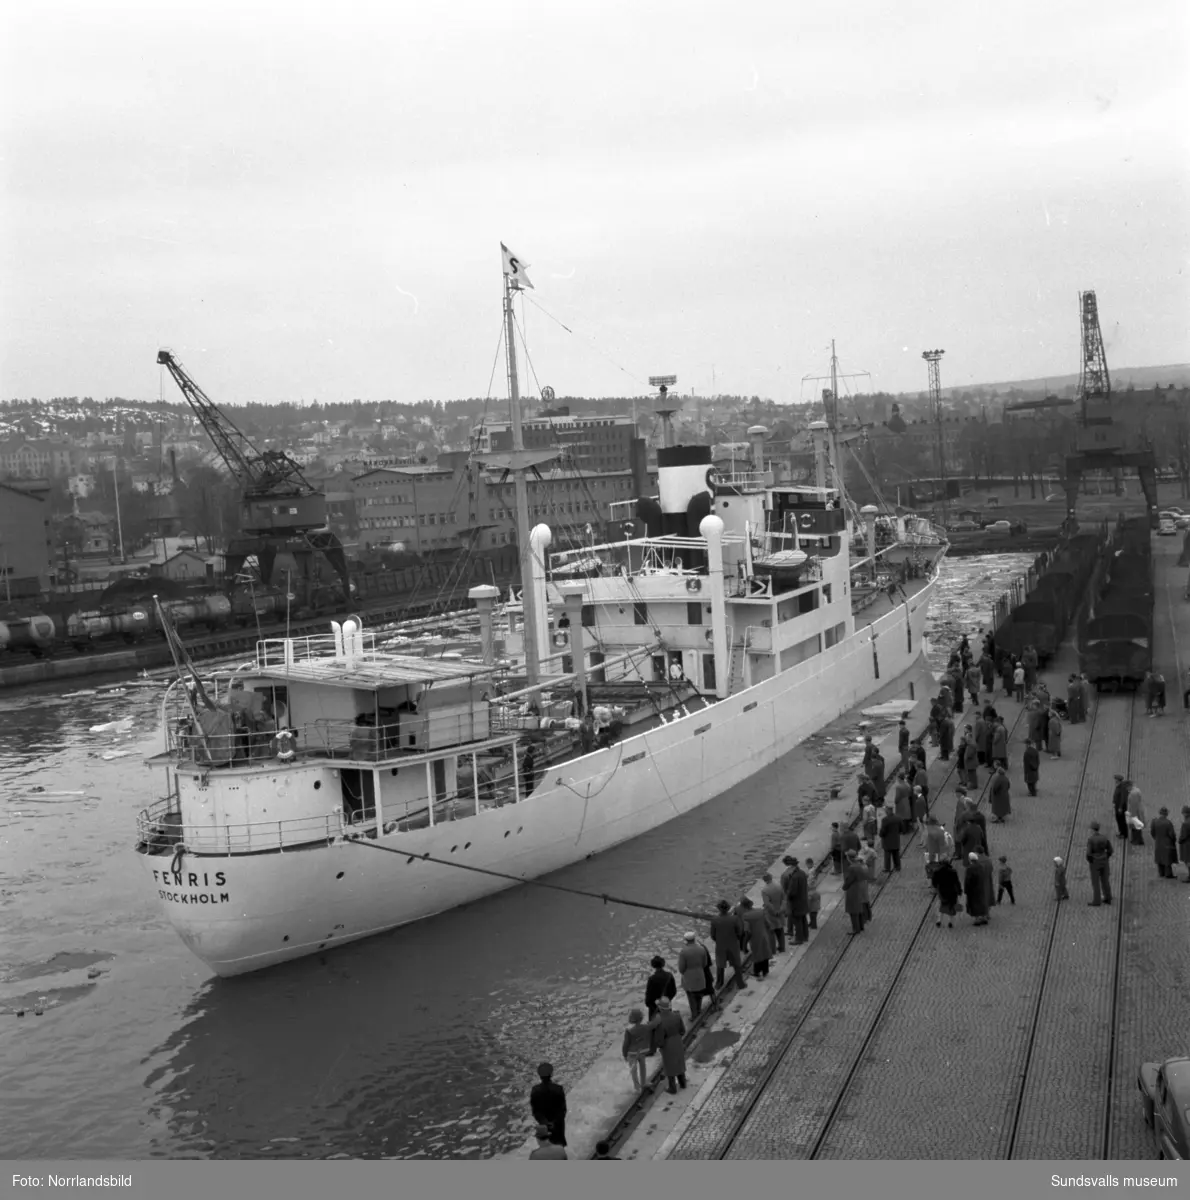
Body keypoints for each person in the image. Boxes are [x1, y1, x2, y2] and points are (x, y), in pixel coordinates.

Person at [648, 997, 687, 1094]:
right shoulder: (677, 1015)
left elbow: (659, 1039)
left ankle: (672, 1088)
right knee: (679, 1062)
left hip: (667, 1045)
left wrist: (659, 1046)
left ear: (660, 1008)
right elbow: (682, 1030)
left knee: (669, 1066)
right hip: (678, 1041)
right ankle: (683, 1083)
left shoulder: (660, 1020)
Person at [709, 899, 748, 991]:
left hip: (721, 945)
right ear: (728, 908)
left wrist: (718, 940)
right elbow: (740, 932)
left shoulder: (715, 920)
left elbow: (712, 935)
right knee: (737, 964)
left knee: (720, 964)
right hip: (733, 944)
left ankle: (719, 983)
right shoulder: (734, 919)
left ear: (719, 909)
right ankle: (740, 983)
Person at [530, 1063, 568, 1146]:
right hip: (558, 1124)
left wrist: (545, 1122)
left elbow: (535, 1111)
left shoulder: (535, 1090)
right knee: (559, 1145)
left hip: (544, 1126)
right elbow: (563, 1110)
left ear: (539, 1075)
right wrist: (554, 1122)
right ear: (551, 1074)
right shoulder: (558, 1089)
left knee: (546, 1145)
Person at [677, 932, 713, 1018]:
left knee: (691, 996)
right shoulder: (701, 949)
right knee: (699, 994)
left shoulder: (683, 952)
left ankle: (694, 1014)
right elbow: (705, 964)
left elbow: (681, 968)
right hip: (700, 974)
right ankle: (699, 1009)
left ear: (686, 940)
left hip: (689, 978)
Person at [740, 897, 773, 978]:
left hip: (755, 938)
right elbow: (768, 923)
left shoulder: (745, 916)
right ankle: (765, 971)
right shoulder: (760, 911)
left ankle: (757, 972)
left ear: (744, 907)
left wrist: (744, 944)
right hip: (764, 935)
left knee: (757, 955)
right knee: (765, 952)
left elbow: (748, 932)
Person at [622, 1008, 652, 1092]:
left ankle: (637, 1086)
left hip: (632, 1054)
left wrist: (624, 1054)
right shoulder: (645, 1027)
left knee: (633, 1070)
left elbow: (626, 1044)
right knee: (643, 1067)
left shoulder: (629, 1030)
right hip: (642, 1051)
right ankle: (644, 1082)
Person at [782, 856, 809, 945]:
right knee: (803, 919)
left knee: (797, 921)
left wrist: (787, 896)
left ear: (791, 866)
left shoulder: (794, 877)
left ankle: (799, 939)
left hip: (796, 903)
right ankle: (805, 936)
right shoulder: (802, 873)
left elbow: (792, 892)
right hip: (803, 900)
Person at [1085, 821, 1114, 906]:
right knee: (1105, 880)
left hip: (1095, 862)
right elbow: (1110, 850)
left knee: (1096, 882)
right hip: (1104, 861)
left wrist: (1091, 860)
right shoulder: (1104, 838)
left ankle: (1097, 901)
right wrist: (1106, 857)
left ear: (1093, 830)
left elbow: (1088, 854)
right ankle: (1108, 897)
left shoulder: (1091, 840)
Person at [760, 873, 787, 954]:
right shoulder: (779, 886)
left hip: (771, 914)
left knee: (771, 932)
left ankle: (772, 950)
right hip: (780, 911)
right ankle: (782, 947)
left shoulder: (764, 890)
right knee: (780, 930)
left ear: (764, 880)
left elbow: (767, 903)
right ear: (771, 877)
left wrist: (774, 911)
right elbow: (784, 899)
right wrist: (781, 909)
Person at [842, 851, 867, 935]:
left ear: (849, 858)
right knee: (859, 908)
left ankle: (856, 928)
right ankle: (861, 925)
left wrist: (844, 887)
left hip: (853, 889)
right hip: (859, 887)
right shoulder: (860, 865)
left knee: (853, 910)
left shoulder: (852, 868)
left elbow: (849, 880)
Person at [964, 852, 991, 926]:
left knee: (974, 904)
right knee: (981, 902)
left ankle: (977, 919)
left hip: (973, 889)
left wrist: (966, 890)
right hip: (981, 887)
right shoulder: (981, 866)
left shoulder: (969, 869)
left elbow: (968, 880)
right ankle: (983, 917)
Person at [933, 858, 962, 928]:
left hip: (942, 892)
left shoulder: (937, 872)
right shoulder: (953, 872)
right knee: (951, 906)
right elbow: (956, 883)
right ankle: (951, 922)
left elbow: (934, 883)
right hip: (952, 892)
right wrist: (959, 891)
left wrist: (936, 888)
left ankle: (939, 920)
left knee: (941, 905)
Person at [1151, 807, 1178, 879]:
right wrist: (1174, 840)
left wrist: (1156, 838)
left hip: (1158, 842)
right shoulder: (1168, 823)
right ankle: (1168, 874)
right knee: (1167, 859)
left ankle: (1161, 872)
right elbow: (1172, 834)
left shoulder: (1154, 821)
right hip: (1167, 843)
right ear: (1166, 814)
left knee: (1159, 857)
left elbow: (1152, 832)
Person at [879, 807, 902, 873]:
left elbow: (883, 831)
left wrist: (880, 834)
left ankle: (887, 868)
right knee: (896, 854)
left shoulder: (885, 820)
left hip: (887, 841)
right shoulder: (898, 818)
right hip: (896, 840)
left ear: (887, 812)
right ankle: (898, 866)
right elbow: (901, 829)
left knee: (887, 855)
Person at [1111, 774, 1130, 839]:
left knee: (1121, 821)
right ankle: (1121, 832)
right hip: (1118, 806)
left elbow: (1123, 798)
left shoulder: (1122, 788)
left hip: (1121, 807)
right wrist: (1114, 802)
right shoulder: (1119, 786)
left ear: (1119, 780)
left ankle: (1124, 834)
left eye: (1116, 780)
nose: (1115, 781)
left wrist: (1120, 807)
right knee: (1119, 820)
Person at [804, 859, 822, 929]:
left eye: (807, 864)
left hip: (811, 892)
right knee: (813, 909)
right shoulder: (812, 871)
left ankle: (813, 925)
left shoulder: (811, 872)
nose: (807, 866)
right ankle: (812, 923)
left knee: (812, 910)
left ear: (809, 864)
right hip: (814, 891)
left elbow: (809, 883)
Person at [1179, 806, 1190, 882]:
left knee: (1188, 861)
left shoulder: (1185, 824)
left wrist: (1180, 840)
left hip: (1187, 845)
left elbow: (1183, 836)